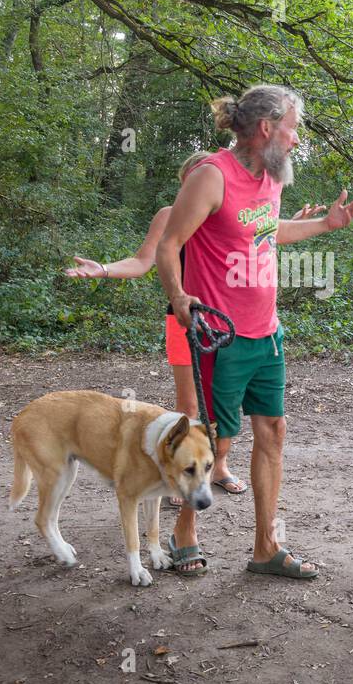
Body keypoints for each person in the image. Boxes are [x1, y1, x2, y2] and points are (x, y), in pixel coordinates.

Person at [157, 84, 353, 577]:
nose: (296, 140)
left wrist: (325, 227)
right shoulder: (211, 177)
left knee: (272, 430)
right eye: (292, 129)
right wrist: (179, 298)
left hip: (266, 332)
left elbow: (267, 231)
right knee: (217, 444)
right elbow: (168, 245)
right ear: (267, 129)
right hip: (220, 336)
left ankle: (266, 548)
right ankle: (185, 530)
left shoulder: (272, 179)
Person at [65, 152, 325, 507]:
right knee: (191, 405)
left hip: (228, 323)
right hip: (185, 321)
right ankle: (181, 472)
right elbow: (144, 261)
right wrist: (104, 269)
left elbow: (259, 240)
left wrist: (290, 224)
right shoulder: (170, 216)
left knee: (225, 408)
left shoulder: (232, 208)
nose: (200, 183)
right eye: (193, 178)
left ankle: (217, 466)